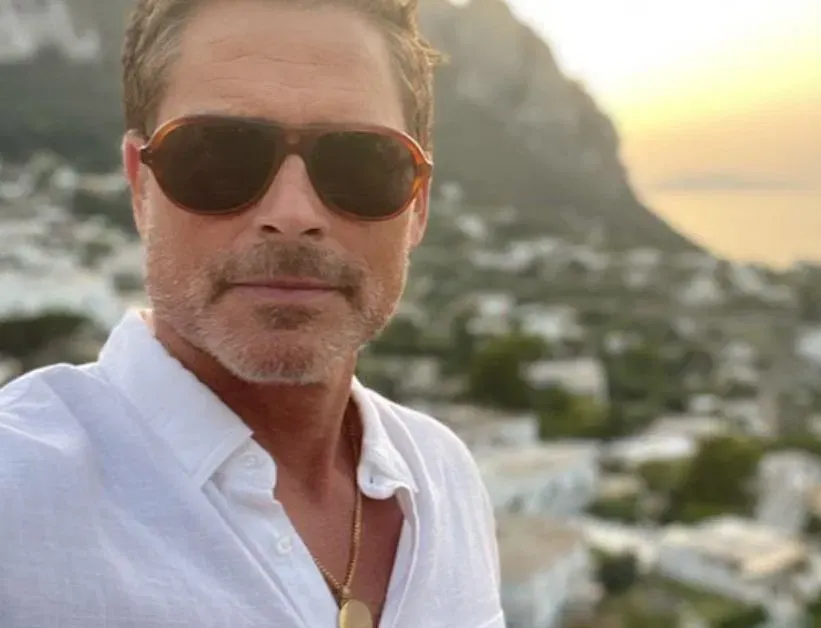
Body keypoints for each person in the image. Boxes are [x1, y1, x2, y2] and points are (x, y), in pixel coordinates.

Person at [0, 1, 505, 626]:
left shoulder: (446, 478)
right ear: (141, 187)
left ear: (418, 205)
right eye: (218, 156)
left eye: (360, 163)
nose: (292, 214)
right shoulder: (18, 496)